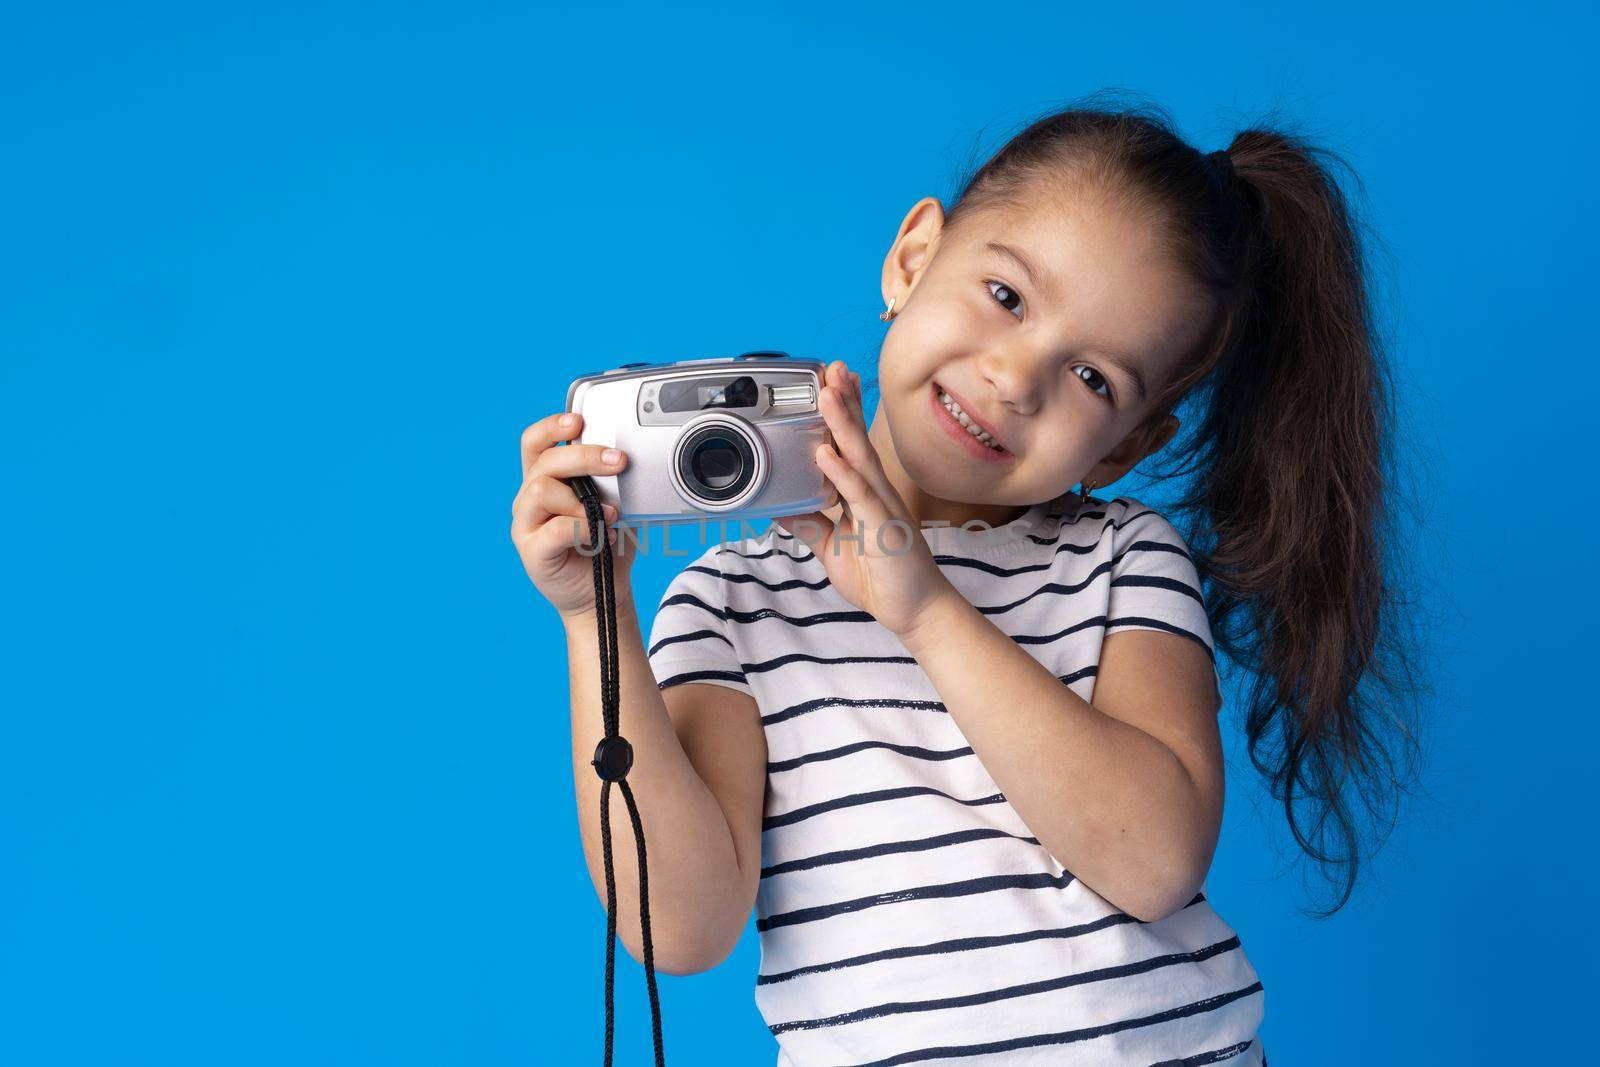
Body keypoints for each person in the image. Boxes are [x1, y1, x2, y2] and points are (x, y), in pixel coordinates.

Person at [510, 96, 1425, 1066]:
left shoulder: (1121, 559)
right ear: (911, 260)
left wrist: (927, 608)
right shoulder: (733, 601)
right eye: (1005, 296)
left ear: (1127, 447)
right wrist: (594, 616)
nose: (1015, 376)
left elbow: (1153, 861)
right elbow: (680, 928)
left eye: (1094, 380)